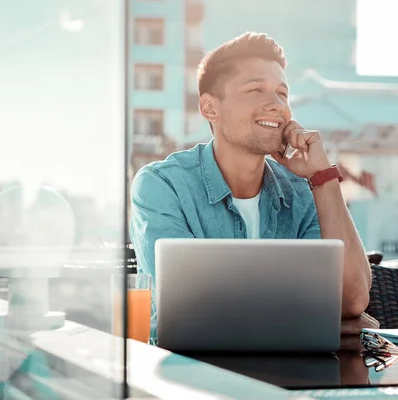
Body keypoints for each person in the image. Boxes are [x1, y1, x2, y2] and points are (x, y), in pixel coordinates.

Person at [129, 32, 378, 345]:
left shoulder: (303, 191)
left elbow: (353, 300)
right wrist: (311, 321)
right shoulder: (162, 185)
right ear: (209, 108)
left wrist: (322, 176)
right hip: (189, 375)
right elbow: (187, 310)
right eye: (256, 89)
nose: (277, 105)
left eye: (282, 93)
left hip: (292, 379)